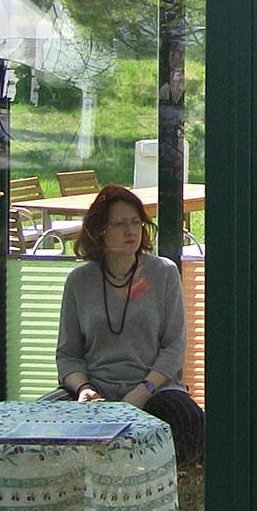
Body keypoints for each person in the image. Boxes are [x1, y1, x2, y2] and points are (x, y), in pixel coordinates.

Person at [54, 183, 204, 466]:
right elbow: (68, 354)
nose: (132, 231)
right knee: (44, 420)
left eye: (136, 222)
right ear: (101, 231)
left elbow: (174, 346)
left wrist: (141, 392)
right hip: (95, 389)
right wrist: (84, 389)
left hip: (153, 388)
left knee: (187, 420)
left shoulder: (164, 273)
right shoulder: (79, 281)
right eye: (121, 224)